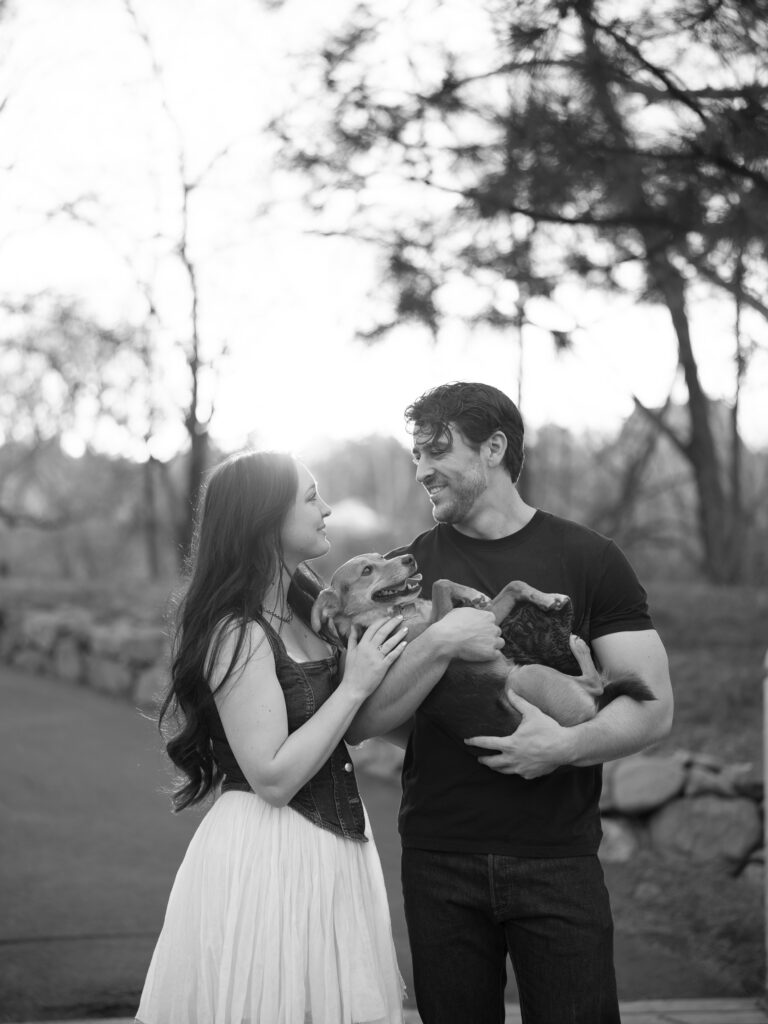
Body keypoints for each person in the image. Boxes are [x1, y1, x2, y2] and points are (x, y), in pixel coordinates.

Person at [347, 381, 674, 1024]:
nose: (422, 470)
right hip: (439, 859)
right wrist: (441, 656)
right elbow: (366, 717)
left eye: (436, 451)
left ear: (494, 447)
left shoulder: (591, 558)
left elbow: (654, 708)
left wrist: (564, 746)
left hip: (558, 860)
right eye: (415, 454)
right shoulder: (407, 570)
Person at [136, 450, 411, 1024]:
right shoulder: (236, 632)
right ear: (266, 519)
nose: (326, 508)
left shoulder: (310, 611)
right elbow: (273, 777)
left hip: (337, 853)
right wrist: (354, 686)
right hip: (272, 858)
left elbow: (355, 726)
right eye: (311, 498)